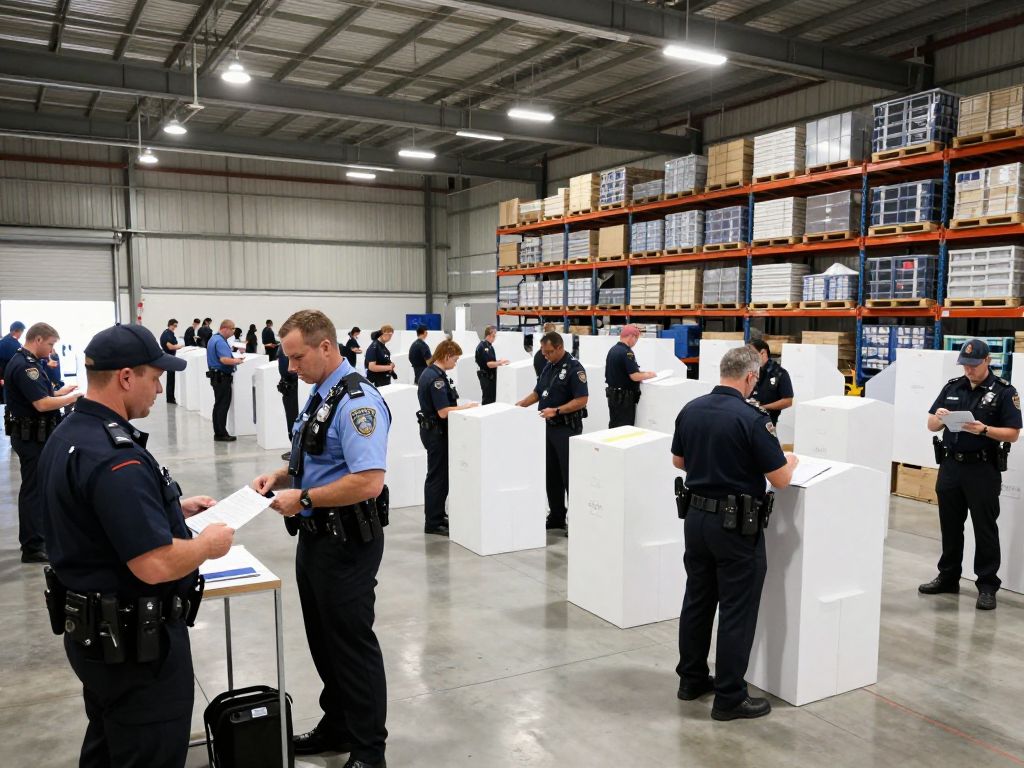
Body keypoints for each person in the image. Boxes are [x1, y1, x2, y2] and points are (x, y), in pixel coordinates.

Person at [39, 323, 233, 768]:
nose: (159, 385)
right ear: (126, 377)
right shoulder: (116, 456)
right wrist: (206, 544)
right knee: (148, 752)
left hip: (99, 640)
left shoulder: (72, 434)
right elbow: (154, 563)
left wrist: (169, 510)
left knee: (109, 746)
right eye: (154, 375)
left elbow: (90, 516)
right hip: (137, 651)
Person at [251, 309, 390, 767]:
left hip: (347, 541)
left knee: (351, 645)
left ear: (325, 347)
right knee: (323, 641)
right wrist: (281, 474)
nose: (292, 368)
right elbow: (314, 453)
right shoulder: (321, 394)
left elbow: (368, 480)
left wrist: (304, 497)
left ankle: (369, 751)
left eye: (296, 357)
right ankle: (339, 726)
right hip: (316, 538)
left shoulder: (357, 402)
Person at [671, 346, 798, 721]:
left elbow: (679, 460)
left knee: (697, 600)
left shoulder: (691, 408)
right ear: (750, 377)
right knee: (736, 610)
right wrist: (789, 459)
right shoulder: (752, 418)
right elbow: (781, 479)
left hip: (696, 519)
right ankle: (729, 696)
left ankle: (691, 680)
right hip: (735, 527)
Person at [921, 339, 1022, 610]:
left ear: (987, 361)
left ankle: (987, 585)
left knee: (984, 528)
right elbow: (931, 424)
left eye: (974, 365)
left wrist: (984, 430)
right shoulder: (953, 386)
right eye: (965, 365)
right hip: (951, 466)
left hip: (982, 469)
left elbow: (1013, 433)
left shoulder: (1004, 391)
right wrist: (940, 417)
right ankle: (948, 576)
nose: (969, 370)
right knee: (950, 525)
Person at [4, 322, 83, 562]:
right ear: (37, 339)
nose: (50, 350)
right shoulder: (26, 367)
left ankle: (37, 539)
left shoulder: (28, 363)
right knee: (34, 491)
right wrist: (72, 398)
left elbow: (43, 394)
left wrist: (60, 392)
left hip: (34, 436)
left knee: (38, 489)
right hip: (32, 439)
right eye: (49, 344)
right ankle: (32, 546)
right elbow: (41, 404)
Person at [516, 331, 588, 532]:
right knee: (551, 474)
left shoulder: (575, 368)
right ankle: (556, 515)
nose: (545, 355)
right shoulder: (549, 366)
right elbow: (539, 392)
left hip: (566, 428)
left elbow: (582, 400)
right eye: (543, 352)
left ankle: (576, 520)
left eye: (548, 352)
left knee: (569, 475)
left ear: (559, 347)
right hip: (547, 428)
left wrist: (556, 411)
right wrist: (521, 404)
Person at [417, 340, 479, 535]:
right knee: (437, 477)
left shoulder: (434, 374)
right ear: (446, 356)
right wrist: (465, 408)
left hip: (435, 431)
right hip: (436, 432)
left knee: (441, 476)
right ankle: (433, 522)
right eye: (455, 359)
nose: (456, 362)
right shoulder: (435, 378)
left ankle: (437, 514)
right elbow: (443, 412)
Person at [605, 324, 656, 428]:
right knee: (624, 427)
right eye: (636, 339)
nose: (635, 343)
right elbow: (634, 376)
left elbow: (622, 371)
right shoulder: (627, 352)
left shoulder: (613, 350)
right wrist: (649, 375)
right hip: (623, 398)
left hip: (613, 395)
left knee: (615, 425)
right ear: (632, 336)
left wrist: (641, 374)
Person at [207, 319, 243, 442]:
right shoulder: (220, 342)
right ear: (225, 328)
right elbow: (224, 360)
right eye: (232, 329)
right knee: (222, 405)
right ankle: (221, 433)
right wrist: (237, 360)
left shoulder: (213, 339)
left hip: (216, 376)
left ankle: (218, 431)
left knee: (218, 405)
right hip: (222, 377)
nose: (234, 331)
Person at [748, 339, 794, 426]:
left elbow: (788, 401)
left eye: (752, 354)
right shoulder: (752, 371)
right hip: (749, 419)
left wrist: (763, 408)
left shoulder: (780, 373)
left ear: (763, 353)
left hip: (768, 421)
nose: (749, 357)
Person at [475, 325, 510, 405]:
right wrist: (500, 363)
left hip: (491, 377)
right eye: (494, 334)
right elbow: (489, 364)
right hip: (486, 376)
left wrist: (500, 361)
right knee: (488, 399)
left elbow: (492, 361)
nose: (495, 336)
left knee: (492, 398)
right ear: (490, 334)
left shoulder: (490, 346)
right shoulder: (483, 346)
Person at [278, 348, 299, 462]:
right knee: (292, 418)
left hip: (292, 388)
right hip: (291, 388)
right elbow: (287, 371)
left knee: (293, 417)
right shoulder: (285, 349)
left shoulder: (284, 348)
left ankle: (296, 449)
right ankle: (295, 449)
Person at [0, 319, 26, 403]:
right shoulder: (12, 344)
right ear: (16, 331)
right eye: (21, 332)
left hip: (5, 377)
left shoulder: (4, 341)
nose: (21, 335)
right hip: (8, 378)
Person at [160, 319, 183, 405]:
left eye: (176, 326)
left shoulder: (169, 333)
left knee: (171, 379)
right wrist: (179, 347)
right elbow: (170, 347)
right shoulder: (167, 334)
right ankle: (170, 398)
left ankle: (171, 397)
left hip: (171, 358)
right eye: (174, 325)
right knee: (170, 379)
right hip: (169, 359)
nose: (175, 327)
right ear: (170, 324)